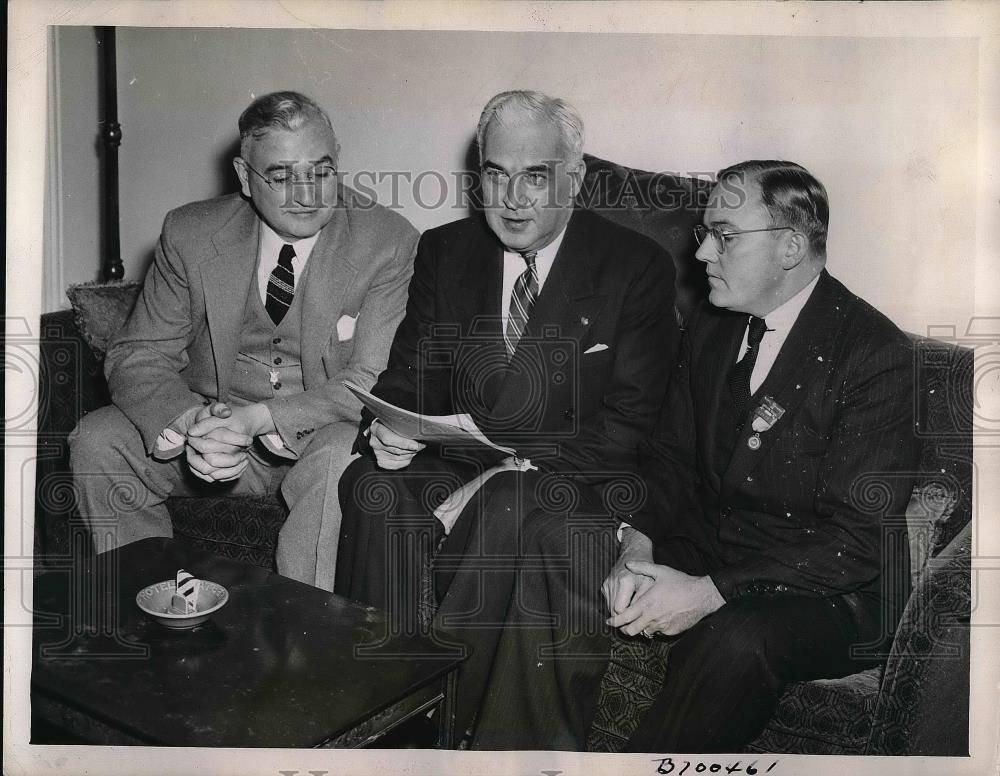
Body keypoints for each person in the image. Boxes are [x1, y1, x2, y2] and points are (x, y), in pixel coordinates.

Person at [475, 159, 919, 751]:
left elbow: (855, 544)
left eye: (725, 237)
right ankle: (522, 756)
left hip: (826, 591)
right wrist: (638, 539)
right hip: (712, 541)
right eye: (703, 234)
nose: (703, 254)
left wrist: (709, 590)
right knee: (567, 537)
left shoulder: (875, 354)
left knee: (736, 637)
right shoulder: (715, 326)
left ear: (789, 246)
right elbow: (669, 459)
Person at [334, 90, 679, 745]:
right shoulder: (446, 250)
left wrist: (508, 472)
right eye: (496, 174)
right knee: (369, 488)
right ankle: (384, 721)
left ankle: (453, 727)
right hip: (460, 457)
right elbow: (413, 370)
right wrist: (393, 425)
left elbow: (631, 425)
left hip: (573, 478)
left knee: (513, 503)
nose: (513, 198)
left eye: (535, 175)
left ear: (572, 179)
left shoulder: (635, 267)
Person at [69, 91, 419, 591]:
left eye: (321, 171)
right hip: (210, 427)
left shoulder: (387, 240)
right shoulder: (190, 231)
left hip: (320, 435)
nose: (306, 195)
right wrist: (192, 423)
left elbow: (370, 380)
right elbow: (139, 352)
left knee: (342, 459)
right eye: (280, 176)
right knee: (98, 441)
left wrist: (258, 419)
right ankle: (155, 609)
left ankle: (308, 640)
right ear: (243, 177)